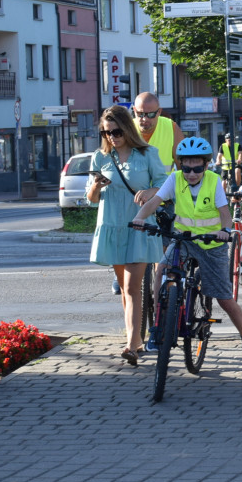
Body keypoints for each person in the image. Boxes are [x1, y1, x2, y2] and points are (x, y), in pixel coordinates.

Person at [131, 137, 242, 370]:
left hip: (212, 244)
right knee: (161, 268)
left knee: (223, 297)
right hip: (184, 239)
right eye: (187, 167)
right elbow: (155, 201)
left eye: (197, 168)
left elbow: (224, 213)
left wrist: (224, 230)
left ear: (207, 165)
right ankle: (158, 327)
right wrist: (140, 217)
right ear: (180, 165)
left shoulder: (213, 181)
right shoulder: (174, 179)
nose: (191, 173)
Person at [86, 105, 168, 366]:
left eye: (117, 131)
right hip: (111, 226)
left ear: (127, 129)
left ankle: (132, 345)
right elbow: (91, 200)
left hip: (139, 225)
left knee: (133, 287)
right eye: (107, 132)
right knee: (124, 289)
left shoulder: (147, 154)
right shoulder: (100, 158)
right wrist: (96, 187)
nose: (112, 137)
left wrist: (150, 192)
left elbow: (166, 187)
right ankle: (137, 338)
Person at [120, 91, 183, 298]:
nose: (144, 120)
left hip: (163, 196)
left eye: (150, 114)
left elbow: (183, 166)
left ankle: (160, 297)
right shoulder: (123, 130)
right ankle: (121, 270)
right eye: (139, 114)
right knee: (125, 232)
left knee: (164, 248)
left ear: (160, 112)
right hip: (132, 196)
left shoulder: (170, 127)